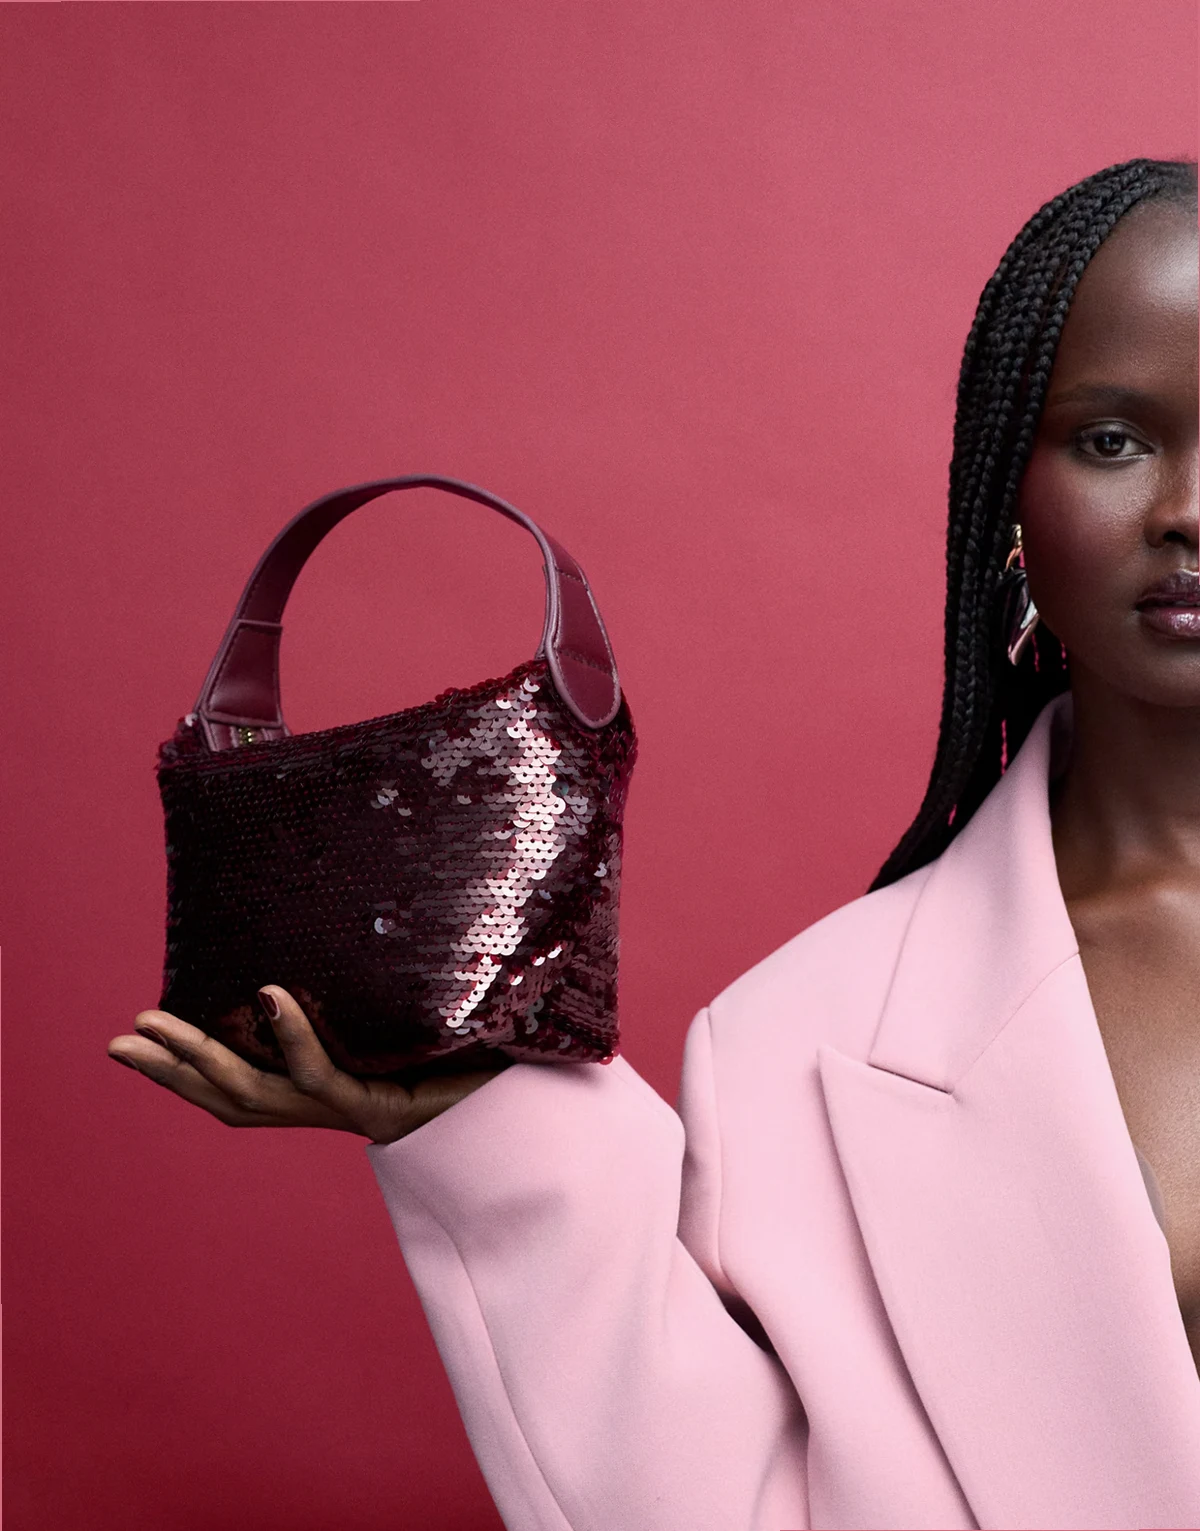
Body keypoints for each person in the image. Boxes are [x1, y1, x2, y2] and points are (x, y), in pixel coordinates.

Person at [108, 156, 1200, 1530]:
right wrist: (477, 1129)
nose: (1188, 511)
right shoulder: (795, 1042)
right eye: (1112, 437)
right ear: (1008, 503)